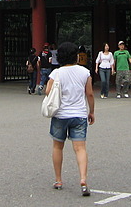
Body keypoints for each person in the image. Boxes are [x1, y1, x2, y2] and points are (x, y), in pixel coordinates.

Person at [46, 41, 95, 197]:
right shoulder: (84, 72)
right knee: (80, 148)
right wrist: (91, 111)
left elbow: (48, 91)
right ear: (76, 56)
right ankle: (83, 179)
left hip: (60, 114)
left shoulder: (56, 73)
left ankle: (59, 180)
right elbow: (90, 94)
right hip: (79, 114)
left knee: (57, 146)